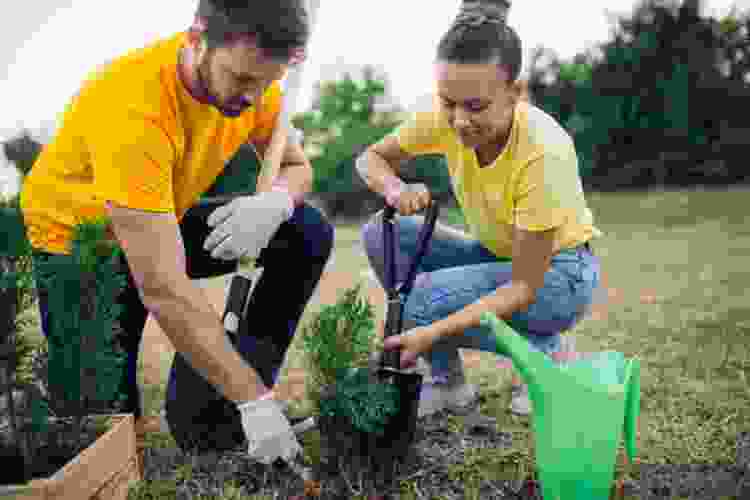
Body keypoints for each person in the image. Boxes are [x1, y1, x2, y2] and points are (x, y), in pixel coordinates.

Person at [19, 0, 333, 463]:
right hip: (79, 244)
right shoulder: (133, 104)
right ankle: (244, 398)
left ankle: (214, 414)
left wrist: (275, 202)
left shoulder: (255, 78)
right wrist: (257, 402)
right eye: (243, 79)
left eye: (269, 82)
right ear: (197, 37)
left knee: (303, 230)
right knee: (100, 440)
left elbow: (295, 166)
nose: (254, 96)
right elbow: (164, 287)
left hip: (158, 216)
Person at [358, 0, 602, 418]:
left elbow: (524, 286)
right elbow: (370, 159)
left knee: (419, 303)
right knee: (381, 233)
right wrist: (395, 189)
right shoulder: (445, 116)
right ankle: (448, 385)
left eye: (475, 107)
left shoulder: (543, 152)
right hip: (499, 255)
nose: (458, 120)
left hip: (559, 275)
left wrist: (428, 332)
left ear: (515, 94)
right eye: (448, 102)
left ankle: (548, 354)